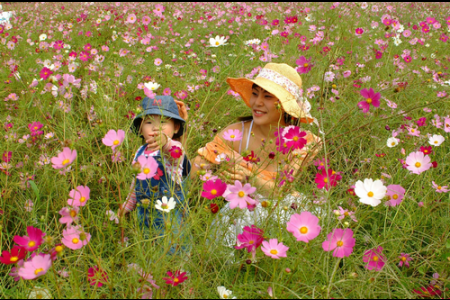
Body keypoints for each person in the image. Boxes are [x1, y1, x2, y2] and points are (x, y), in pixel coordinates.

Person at [190, 63, 322, 247]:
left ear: (284, 105)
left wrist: (246, 172)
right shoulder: (235, 134)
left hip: (284, 212)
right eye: (255, 93)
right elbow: (194, 171)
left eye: (267, 96)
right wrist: (220, 177)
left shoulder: (303, 141)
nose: (257, 102)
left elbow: (279, 191)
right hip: (240, 214)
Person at [119, 95, 191, 253]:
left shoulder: (174, 148)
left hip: (169, 216)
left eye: (163, 122)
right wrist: (128, 204)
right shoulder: (140, 151)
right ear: (140, 128)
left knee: (172, 250)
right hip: (144, 213)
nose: (155, 128)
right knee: (148, 248)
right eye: (149, 122)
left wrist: (166, 143)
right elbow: (136, 182)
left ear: (176, 127)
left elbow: (175, 156)